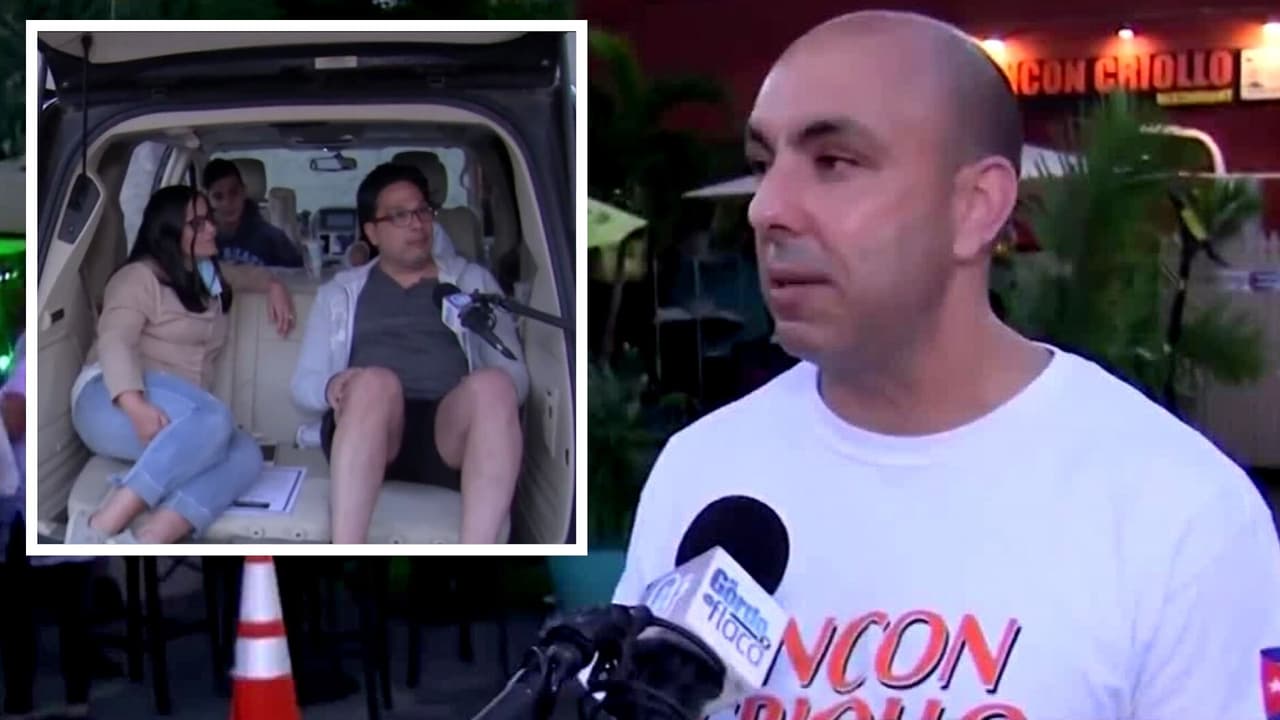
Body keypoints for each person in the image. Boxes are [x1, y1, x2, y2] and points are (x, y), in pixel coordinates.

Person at [609, 11, 1280, 720]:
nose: (767, 209)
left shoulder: (1177, 510)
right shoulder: (703, 470)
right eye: (762, 165)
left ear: (975, 207)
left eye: (833, 163)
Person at [291, 162, 527, 544]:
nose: (416, 225)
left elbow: (516, 377)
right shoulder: (339, 293)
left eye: (422, 212)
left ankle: (477, 560)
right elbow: (302, 385)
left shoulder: (471, 282)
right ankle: (345, 550)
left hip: (448, 431)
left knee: (496, 385)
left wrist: (480, 394)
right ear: (372, 232)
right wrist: (332, 386)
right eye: (400, 216)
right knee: (376, 382)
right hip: (367, 429)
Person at [65, 185, 295, 544]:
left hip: (185, 415)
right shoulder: (137, 278)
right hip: (111, 398)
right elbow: (115, 340)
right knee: (216, 419)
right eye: (197, 223)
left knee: (247, 453)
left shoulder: (204, 272)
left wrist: (274, 284)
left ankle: (150, 538)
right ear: (169, 232)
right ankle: (98, 527)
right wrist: (135, 405)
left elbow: (246, 275)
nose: (211, 228)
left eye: (209, 219)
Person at [0, 335, 97, 719]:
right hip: (74, 490)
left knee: (18, 611)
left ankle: (19, 702)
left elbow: (15, 419)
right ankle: (77, 697)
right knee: (75, 606)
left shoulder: (35, 349)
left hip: (34, 500)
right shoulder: (76, 339)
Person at [203, 158, 304, 268]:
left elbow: (299, 276)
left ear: (244, 191)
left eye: (234, 193)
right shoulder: (200, 240)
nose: (227, 203)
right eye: (218, 197)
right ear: (207, 199)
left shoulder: (274, 240)